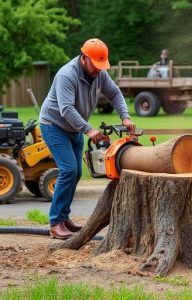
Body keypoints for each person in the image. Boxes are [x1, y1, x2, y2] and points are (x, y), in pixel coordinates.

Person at [39, 38, 135, 240]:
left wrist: (125, 117)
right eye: (96, 65)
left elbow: (115, 93)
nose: (99, 70)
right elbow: (66, 109)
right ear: (84, 58)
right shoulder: (67, 74)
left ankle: (64, 218)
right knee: (69, 170)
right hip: (54, 125)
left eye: (102, 66)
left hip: (74, 129)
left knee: (76, 173)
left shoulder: (100, 74)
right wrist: (89, 130)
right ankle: (55, 222)